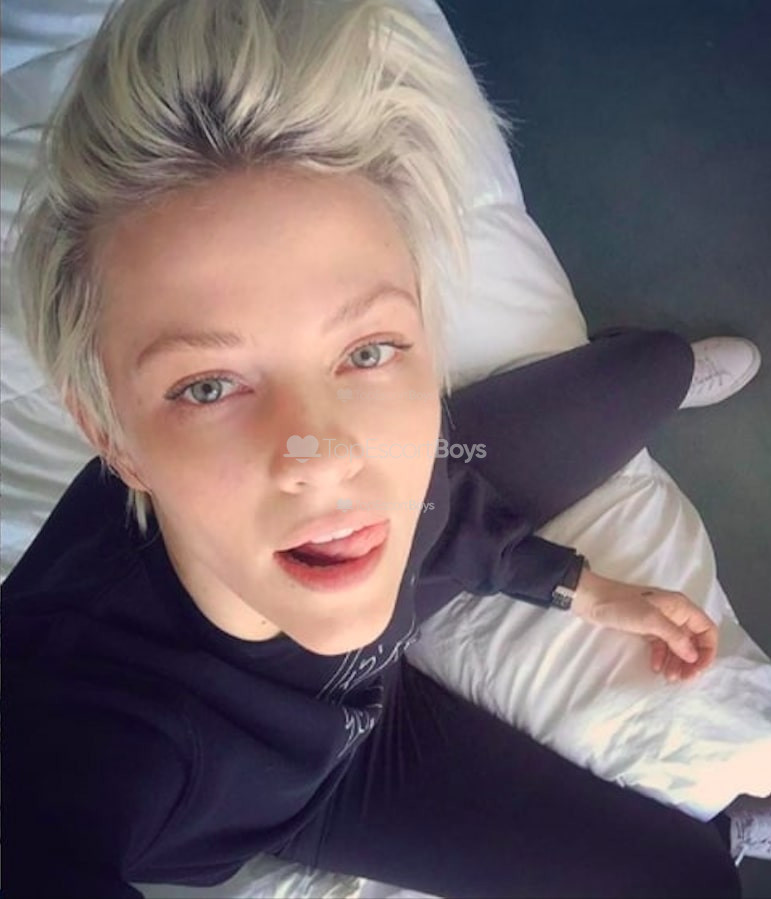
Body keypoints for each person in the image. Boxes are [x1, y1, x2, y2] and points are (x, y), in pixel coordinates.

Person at [2, 1, 763, 896]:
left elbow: (439, 509)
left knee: (651, 368)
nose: (325, 456)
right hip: (319, 791)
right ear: (112, 440)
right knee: (687, 878)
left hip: (397, 605)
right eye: (207, 386)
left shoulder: (381, 467)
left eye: (366, 350)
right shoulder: (80, 724)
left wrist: (581, 589)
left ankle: (640, 360)